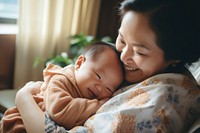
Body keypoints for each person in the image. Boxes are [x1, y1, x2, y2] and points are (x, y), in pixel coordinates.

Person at [7, 0, 200, 132]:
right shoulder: (143, 73)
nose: (124, 56)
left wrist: (23, 98)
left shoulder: (160, 101)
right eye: (122, 40)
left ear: (174, 56)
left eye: (140, 52)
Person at [0, 42, 125, 133]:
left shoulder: (84, 91)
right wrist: (98, 105)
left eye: (108, 89)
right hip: (18, 126)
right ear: (79, 63)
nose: (99, 88)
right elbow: (61, 111)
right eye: (98, 76)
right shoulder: (61, 79)